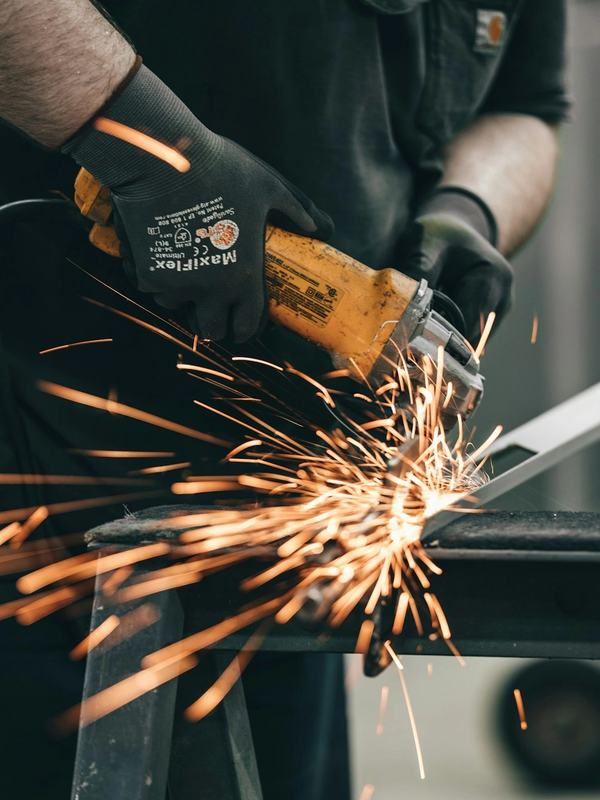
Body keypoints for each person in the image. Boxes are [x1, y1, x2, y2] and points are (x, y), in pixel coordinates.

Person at [0, 0, 569, 798]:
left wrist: (467, 211)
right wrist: (142, 142)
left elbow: (526, 108)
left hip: (298, 526)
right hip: (43, 507)